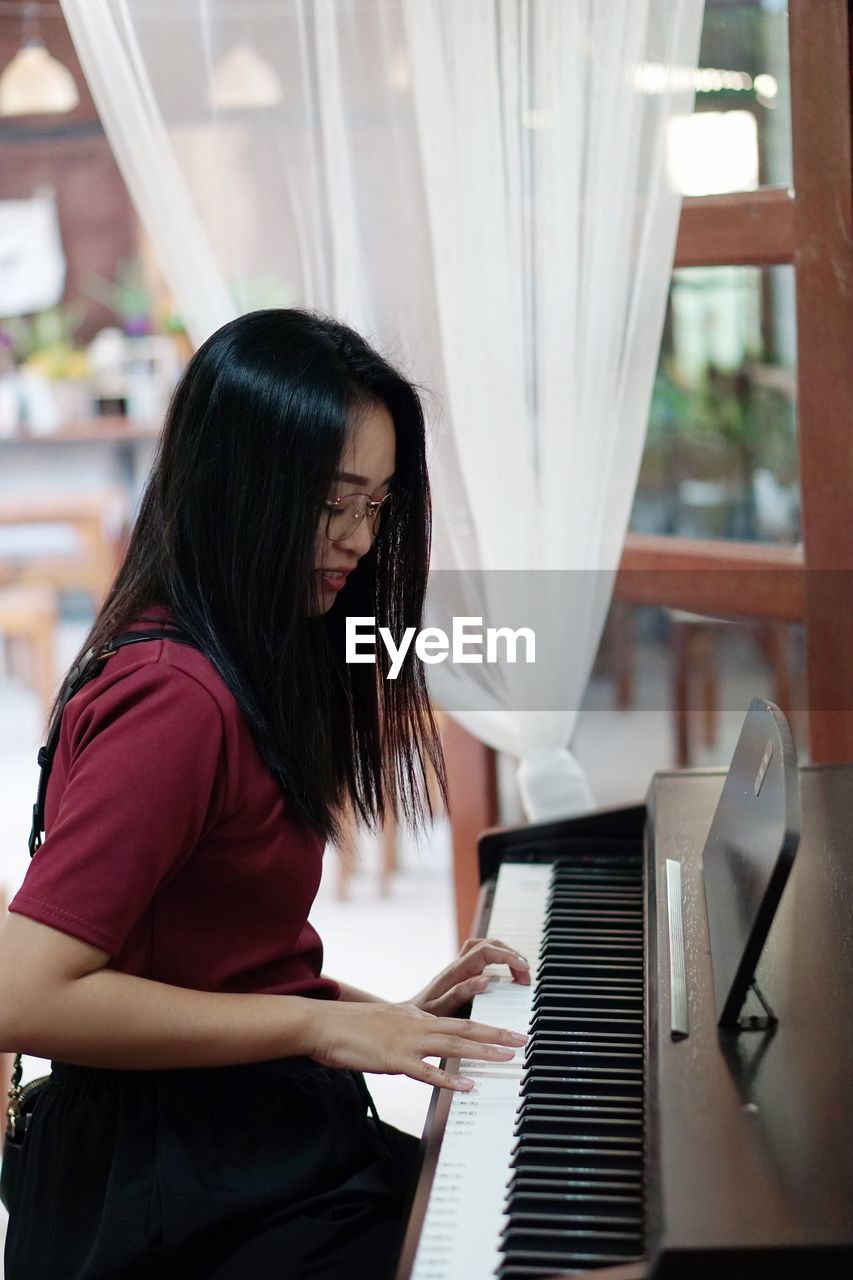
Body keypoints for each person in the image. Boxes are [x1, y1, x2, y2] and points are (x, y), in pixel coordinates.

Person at [0, 309, 530, 1280]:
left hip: (242, 1135)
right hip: (168, 1186)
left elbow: (210, 956)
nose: (362, 540)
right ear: (242, 487)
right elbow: (16, 988)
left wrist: (382, 1013)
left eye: (376, 504)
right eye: (333, 503)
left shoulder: (238, 656)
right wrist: (323, 1024)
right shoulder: (178, 695)